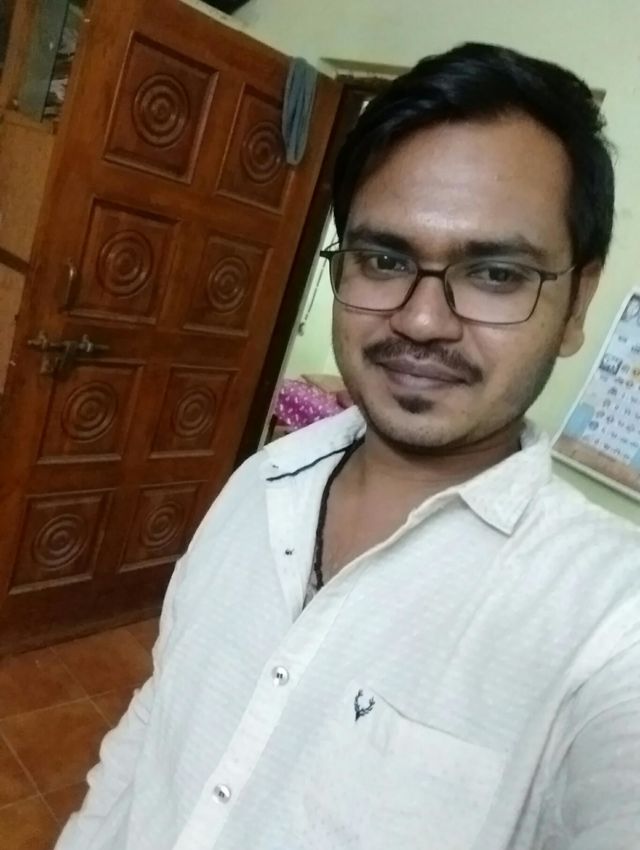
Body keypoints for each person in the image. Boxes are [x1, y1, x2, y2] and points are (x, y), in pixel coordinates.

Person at [55, 42, 640, 850]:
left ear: (576, 303)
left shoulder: (610, 625)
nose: (422, 320)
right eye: (384, 259)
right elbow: (159, 715)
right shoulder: (264, 481)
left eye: (496, 273)